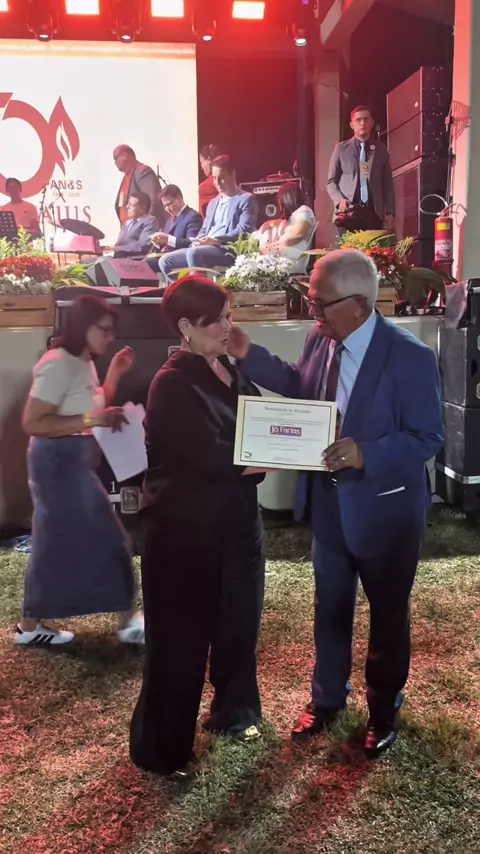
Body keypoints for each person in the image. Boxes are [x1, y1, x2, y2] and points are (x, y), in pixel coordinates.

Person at [228, 249, 443, 758]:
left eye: (320, 303)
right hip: (329, 507)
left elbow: (427, 437)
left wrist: (366, 453)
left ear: (359, 304)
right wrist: (248, 353)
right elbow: (301, 387)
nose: (313, 311)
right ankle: (326, 699)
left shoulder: (409, 356)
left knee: (388, 617)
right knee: (330, 610)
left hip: (387, 511)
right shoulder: (320, 339)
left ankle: (383, 710)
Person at [130, 274, 266, 778]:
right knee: (179, 643)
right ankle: (163, 749)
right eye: (217, 321)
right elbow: (212, 456)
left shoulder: (228, 367)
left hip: (237, 524)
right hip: (185, 533)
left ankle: (235, 712)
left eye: (229, 317)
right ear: (186, 326)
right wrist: (270, 458)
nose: (228, 327)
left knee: (239, 624)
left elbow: (260, 422)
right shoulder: (171, 383)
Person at [15, 295, 145, 647]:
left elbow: (91, 407)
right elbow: (33, 422)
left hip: (72, 462)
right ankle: (128, 619)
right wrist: (92, 419)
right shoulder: (58, 363)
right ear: (82, 326)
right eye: (105, 330)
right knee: (107, 537)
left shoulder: (82, 361)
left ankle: (30, 625)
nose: (110, 337)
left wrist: (114, 375)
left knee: (54, 542)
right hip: (57, 464)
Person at [158, 155, 258, 284]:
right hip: (205, 247)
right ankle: (184, 291)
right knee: (166, 261)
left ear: (232, 175)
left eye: (221, 178)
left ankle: (198, 293)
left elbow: (244, 230)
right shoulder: (213, 203)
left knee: (194, 253)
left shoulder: (245, 199)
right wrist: (198, 240)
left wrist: (216, 240)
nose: (217, 182)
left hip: (226, 249)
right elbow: (204, 230)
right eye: (214, 178)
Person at [327, 105, 395, 235]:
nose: (362, 123)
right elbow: (331, 181)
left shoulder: (380, 149)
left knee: (373, 248)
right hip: (348, 213)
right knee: (348, 248)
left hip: (373, 213)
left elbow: (388, 184)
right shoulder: (341, 149)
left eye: (365, 119)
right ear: (352, 125)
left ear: (372, 123)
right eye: (358, 120)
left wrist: (390, 212)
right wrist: (339, 200)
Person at [257, 181, 316, 274]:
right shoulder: (293, 216)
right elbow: (274, 224)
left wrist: (271, 246)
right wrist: (267, 225)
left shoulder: (304, 211)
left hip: (293, 258)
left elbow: (297, 235)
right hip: (285, 256)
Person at [113, 144, 165, 228]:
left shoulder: (142, 171)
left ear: (125, 155)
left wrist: (145, 227)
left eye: (115, 158)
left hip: (143, 230)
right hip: (129, 230)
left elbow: (153, 200)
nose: (115, 162)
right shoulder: (127, 176)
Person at [148, 184, 202, 259]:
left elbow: (192, 243)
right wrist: (158, 241)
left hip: (179, 257)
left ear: (179, 199)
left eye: (169, 204)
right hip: (163, 255)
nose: (167, 209)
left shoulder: (193, 216)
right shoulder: (169, 220)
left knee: (146, 263)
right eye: (164, 206)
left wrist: (168, 239)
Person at [112, 193, 158, 258]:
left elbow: (143, 245)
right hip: (119, 256)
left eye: (131, 205)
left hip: (134, 258)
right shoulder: (128, 222)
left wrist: (118, 248)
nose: (127, 207)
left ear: (143, 209)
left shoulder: (150, 221)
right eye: (128, 204)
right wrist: (110, 249)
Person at [199, 143, 221, 217]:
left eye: (201, 162)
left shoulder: (206, 185)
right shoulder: (224, 180)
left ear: (208, 160)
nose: (202, 167)